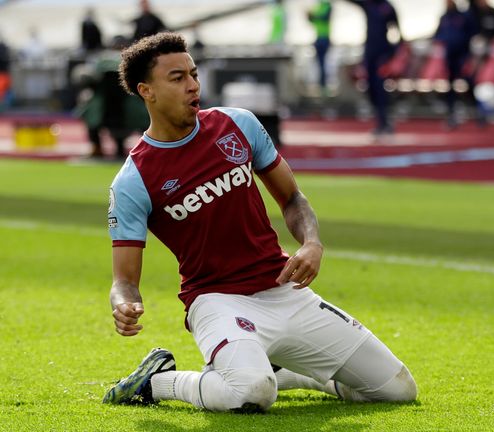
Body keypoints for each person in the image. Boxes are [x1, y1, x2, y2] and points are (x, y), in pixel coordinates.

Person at [102, 32, 417, 412]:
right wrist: (124, 304)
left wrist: (312, 243)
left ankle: (295, 374)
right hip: (217, 301)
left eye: (194, 74)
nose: (192, 85)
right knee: (251, 392)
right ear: (146, 91)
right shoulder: (134, 178)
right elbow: (124, 281)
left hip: (283, 288)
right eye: (177, 78)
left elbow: (293, 199)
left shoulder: (237, 124)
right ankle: (156, 382)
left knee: (397, 389)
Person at [341, 0, 401, 135]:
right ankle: (382, 121)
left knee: (380, 89)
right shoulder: (369, 5)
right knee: (370, 88)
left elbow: (397, 33)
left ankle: (384, 122)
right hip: (369, 55)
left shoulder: (387, 8)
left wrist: (390, 55)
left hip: (381, 56)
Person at [434, 0, 477, 129]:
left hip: (463, 56)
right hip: (450, 57)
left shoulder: (464, 16)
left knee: (469, 84)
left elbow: (473, 34)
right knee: (450, 87)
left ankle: (478, 113)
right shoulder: (444, 18)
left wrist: (470, 56)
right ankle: (452, 115)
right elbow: (438, 35)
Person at [308, 0, 333, 93]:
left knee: (324, 63)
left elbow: (324, 18)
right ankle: (321, 84)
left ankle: (324, 84)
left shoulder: (327, 7)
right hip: (318, 38)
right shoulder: (318, 7)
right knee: (319, 63)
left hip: (324, 38)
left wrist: (313, 16)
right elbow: (312, 20)